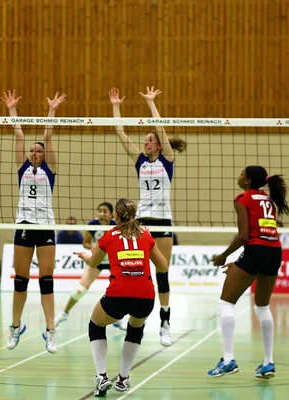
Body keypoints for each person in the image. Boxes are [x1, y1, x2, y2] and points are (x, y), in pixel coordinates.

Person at [109, 86, 186, 346]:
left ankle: (165, 321)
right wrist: (116, 105)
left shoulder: (167, 159)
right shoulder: (140, 160)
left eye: (150, 140)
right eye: (145, 141)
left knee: (162, 271)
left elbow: (160, 127)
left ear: (159, 145)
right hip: (140, 222)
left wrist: (151, 103)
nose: (146, 143)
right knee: (136, 270)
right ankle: (128, 313)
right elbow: (120, 133)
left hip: (163, 222)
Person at [75, 198, 169, 395]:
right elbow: (163, 266)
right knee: (136, 327)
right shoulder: (146, 236)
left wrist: (86, 257)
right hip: (145, 296)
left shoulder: (108, 236)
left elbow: (93, 263)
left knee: (96, 324)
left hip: (118, 295)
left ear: (116, 216)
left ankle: (101, 377)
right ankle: (123, 378)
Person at [1, 89, 66, 354]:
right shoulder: (22, 168)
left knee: (47, 280)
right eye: (32, 150)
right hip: (25, 225)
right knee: (21, 280)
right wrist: (11, 110)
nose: (35, 153)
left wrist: (51, 110)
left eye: (38, 150)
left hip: (46, 226)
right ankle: (15, 326)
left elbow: (48, 136)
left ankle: (50, 331)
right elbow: (18, 135)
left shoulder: (50, 170)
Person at [209, 166, 289, 379]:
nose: (239, 176)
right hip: (274, 251)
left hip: (256, 250)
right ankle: (268, 363)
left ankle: (227, 360)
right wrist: (239, 263)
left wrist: (223, 256)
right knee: (262, 307)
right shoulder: (269, 200)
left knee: (226, 303)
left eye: (241, 173)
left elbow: (244, 236)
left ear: (247, 181)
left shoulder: (242, 199)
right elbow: (258, 237)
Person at [55, 202, 123, 328]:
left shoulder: (116, 225)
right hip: (97, 261)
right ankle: (64, 314)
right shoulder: (93, 225)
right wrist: (92, 247)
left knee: (122, 289)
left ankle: (118, 318)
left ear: (111, 214)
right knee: (80, 290)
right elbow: (85, 242)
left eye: (105, 211)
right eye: (99, 211)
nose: (101, 214)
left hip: (113, 262)